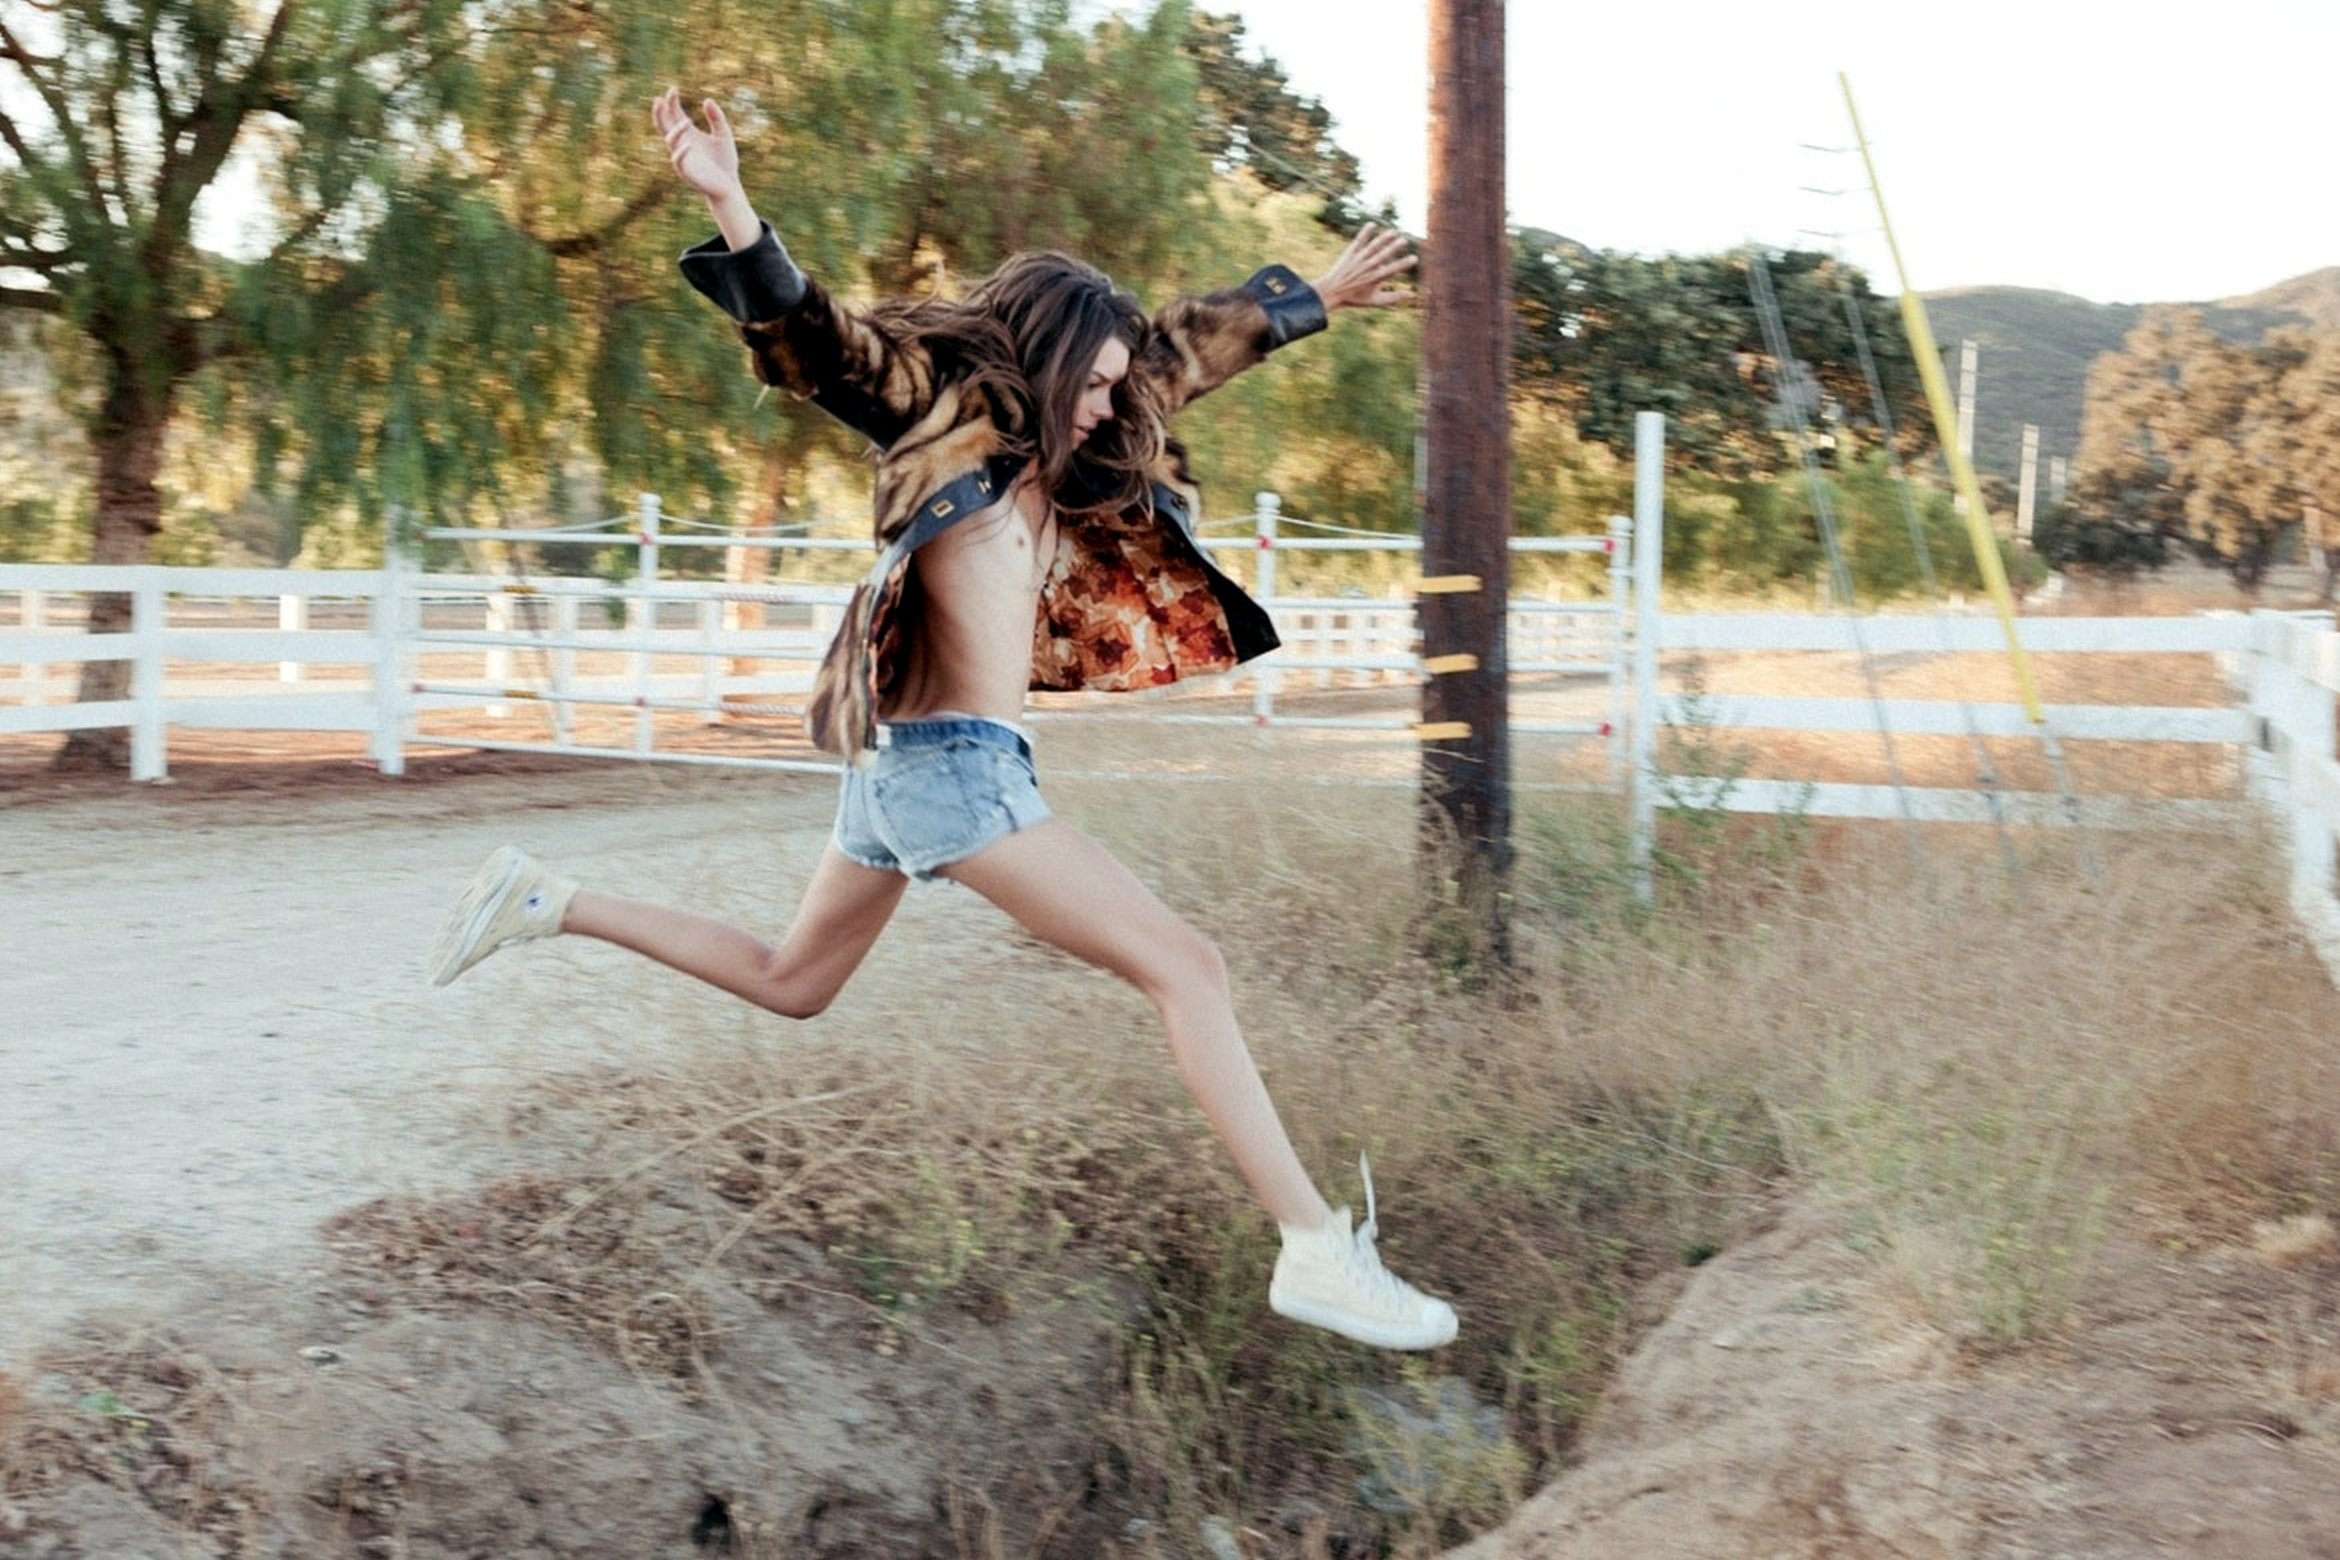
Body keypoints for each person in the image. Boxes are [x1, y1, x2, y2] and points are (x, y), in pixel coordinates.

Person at [428, 86, 1456, 1351]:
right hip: (953, 776)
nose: (1109, 407)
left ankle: (547, 899)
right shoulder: (938, 413)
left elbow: (1179, 355)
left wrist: (1314, 299)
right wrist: (732, 205)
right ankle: (1312, 1248)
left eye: (1117, 390)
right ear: (1049, 359)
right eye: (1094, 386)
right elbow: (821, 342)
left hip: (911, 769)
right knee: (1188, 968)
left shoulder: (1064, 453)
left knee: (794, 982)